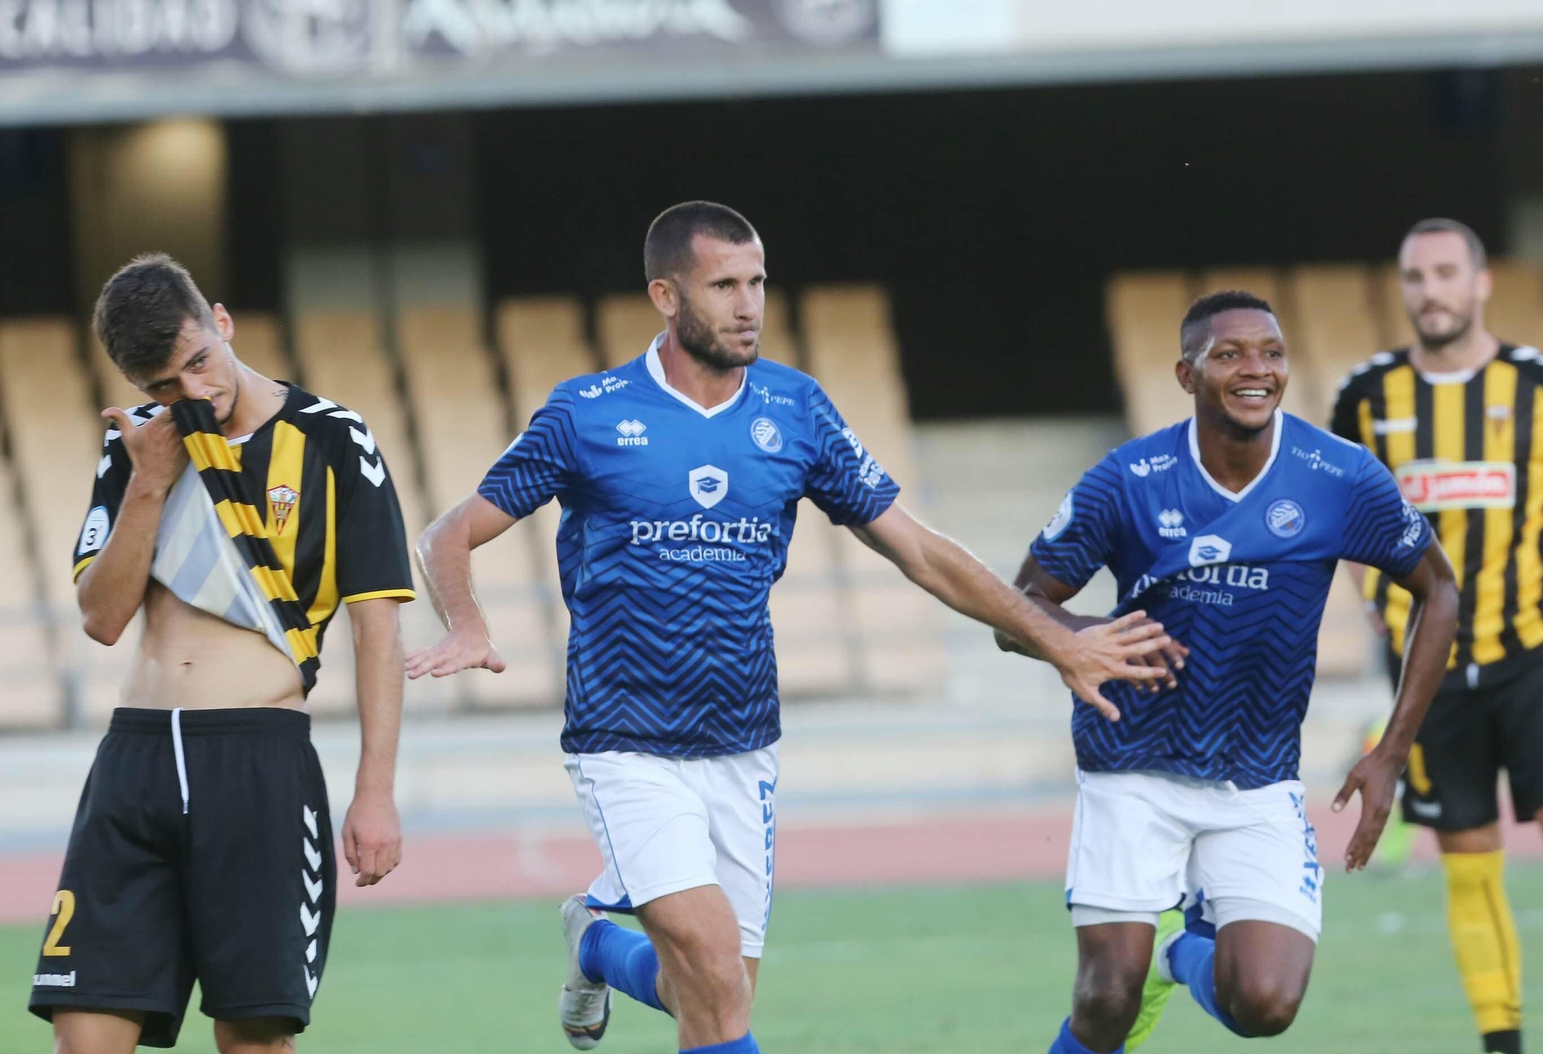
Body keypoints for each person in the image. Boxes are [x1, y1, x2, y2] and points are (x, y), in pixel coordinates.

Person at [404, 201, 1173, 1054]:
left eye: (758, 283)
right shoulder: (588, 412)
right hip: (626, 742)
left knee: (711, 996)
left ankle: (593, 942)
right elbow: (448, 534)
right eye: (723, 286)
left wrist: (1056, 639)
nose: (749, 306)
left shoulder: (795, 409)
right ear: (666, 295)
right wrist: (466, 623)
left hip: (744, 743)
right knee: (714, 973)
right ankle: (604, 941)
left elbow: (918, 550)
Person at [1000, 290, 1459, 1053]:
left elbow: (1439, 589)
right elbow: (1017, 608)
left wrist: (1392, 751)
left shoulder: (1338, 475)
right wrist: (1088, 637)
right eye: (1229, 354)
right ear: (1187, 375)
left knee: (1266, 1005)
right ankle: (1141, 971)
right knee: (1107, 1000)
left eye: (1272, 353)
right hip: (1132, 763)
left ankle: (1177, 955)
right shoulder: (1128, 479)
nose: (1256, 369)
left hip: (1256, 775)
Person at [29, 254, 414, 1053]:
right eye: (165, 385)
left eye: (200, 362)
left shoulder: (333, 437)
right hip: (133, 757)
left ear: (223, 322)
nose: (193, 393)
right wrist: (148, 482)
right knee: (82, 1036)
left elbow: (377, 627)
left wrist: (375, 790)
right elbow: (102, 618)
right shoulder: (138, 447)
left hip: (255, 757)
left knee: (253, 1039)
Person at [1331, 218, 1543, 1054]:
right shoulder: (1366, 395)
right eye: (1416, 277)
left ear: (1482, 283)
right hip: (1430, 674)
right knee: (1471, 868)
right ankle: (1502, 1046)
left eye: (1447, 272)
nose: (1432, 291)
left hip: (1535, 655)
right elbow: (1328, 503)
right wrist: (1368, 595)